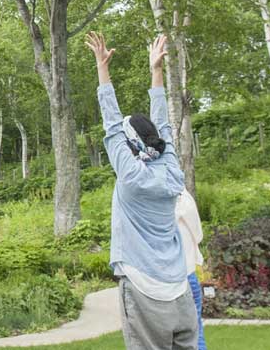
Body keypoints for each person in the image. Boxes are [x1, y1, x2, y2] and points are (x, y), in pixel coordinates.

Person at [85, 33, 195, 350]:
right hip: (179, 288)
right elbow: (163, 124)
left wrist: (102, 68)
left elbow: (111, 123)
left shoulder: (132, 175)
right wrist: (156, 71)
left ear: (130, 143)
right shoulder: (172, 170)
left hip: (144, 287)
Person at [174, 191, 206, 350]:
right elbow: (198, 234)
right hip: (187, 273)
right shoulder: (184, 199)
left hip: (172, 279)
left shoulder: (154, 203)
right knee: (195, 333)